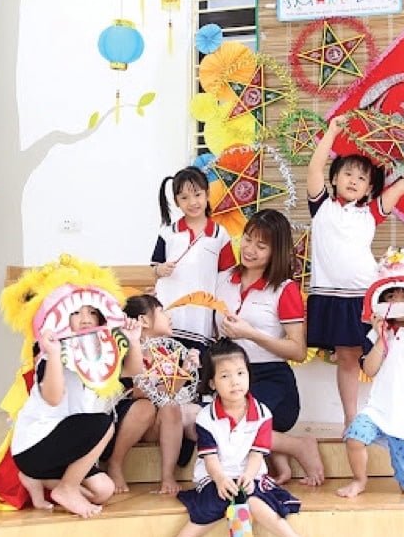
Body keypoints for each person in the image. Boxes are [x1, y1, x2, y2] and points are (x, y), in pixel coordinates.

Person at [306, 114, 404, 432]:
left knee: (383, 354)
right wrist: (332, 131)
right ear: (335, 178)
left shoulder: (371, 213)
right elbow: (315, 168)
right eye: (347, 174)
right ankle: (351, 418)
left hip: (366, 297)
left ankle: (387, 416)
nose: (353, 180)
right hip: (330, 296)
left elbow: (401, 187)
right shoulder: (321, 206)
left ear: (370, 187)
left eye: (361, 178)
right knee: (347, 358)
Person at [159, 339, 324, 537]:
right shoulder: (206, 417)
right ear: (212, 383)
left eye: (240, 373)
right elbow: (210, 457)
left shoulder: (262, 413)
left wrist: (248, 476)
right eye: (225, 376)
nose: (235, 381)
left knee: (253, 499)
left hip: (250, 473)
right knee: (219, 499)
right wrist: (220, 479)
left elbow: (257, 453)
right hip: (215, 475)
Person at [215, 209, 324, 486]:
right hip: (229, 378)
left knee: (236, 424)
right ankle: (279, 451)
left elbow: (298, 351)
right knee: (204, 422)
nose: (250, 250)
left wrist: (251, 334)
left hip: (271, 380)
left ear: (277, 251)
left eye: (261, 246)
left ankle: (299, 446)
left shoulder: (284, 289)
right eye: (248, 239)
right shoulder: (223, 279)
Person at [336, 247, 404, 499]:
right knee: (354, 437)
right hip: (380, 408)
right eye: (391, 296)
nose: (397, 301)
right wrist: (380, 337)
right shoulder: (377, 333)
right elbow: (370, 369)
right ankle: (359, 480)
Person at [11, 305, 141, 518]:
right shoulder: (50, 355)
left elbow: (132, 372)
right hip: (36, 445)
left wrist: (133, 341)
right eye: (76, 313)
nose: (86, 319)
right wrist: (54, 353)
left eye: (92, 312)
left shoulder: (101, 354)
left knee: (103, 491)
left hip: (67, 447)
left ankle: (38, 479)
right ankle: (67, 488)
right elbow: (53, 398)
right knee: (103, 423)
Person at [103, 294, 201, 495]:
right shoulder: (125, 346)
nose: (169, 317)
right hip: (126, 420)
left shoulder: (164, 351)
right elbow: (139, 392)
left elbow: (167, 393)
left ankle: (168, 476)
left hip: (153, 423)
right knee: (145, 406)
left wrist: (185, 370)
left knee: (171, 405)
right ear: (144, 320)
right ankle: (115, 463)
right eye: (162, 312)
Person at [152, 166, 236, 351]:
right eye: (184, 197)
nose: (192, 202)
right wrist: (160, 270)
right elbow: (154, 268)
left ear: (207, 194)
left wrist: (220, 316)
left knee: (195, 364)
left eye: (197, 195)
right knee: (166, 362)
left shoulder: (220, 235)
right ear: (176, 201)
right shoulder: (168, 233)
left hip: (201, 319)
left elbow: (226, 278)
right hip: (168, 318)